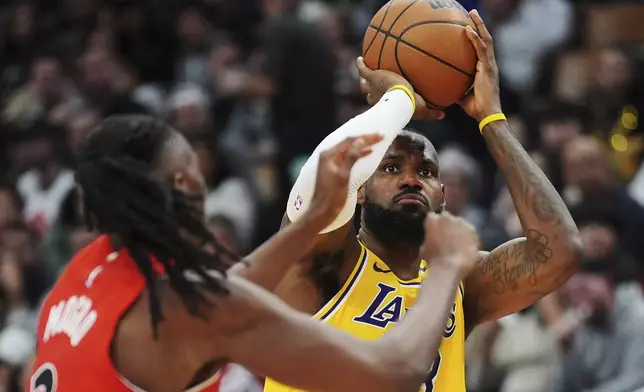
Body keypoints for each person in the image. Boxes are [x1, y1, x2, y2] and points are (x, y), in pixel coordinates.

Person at [30, 110, 480, 392]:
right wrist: (444, 267)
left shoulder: (80, 277)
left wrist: (313, 219)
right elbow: (394, 372)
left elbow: (230, 290)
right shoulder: (184, 310)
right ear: (185, 185)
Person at [265, 10, 582, 392]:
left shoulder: (458, 281)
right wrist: (400, 99)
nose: (412, 179)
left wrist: (492, 119)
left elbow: (559, 251)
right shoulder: (321, 264)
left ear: (443, 197)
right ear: (361, 187)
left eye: (428, 172)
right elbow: (325, 175)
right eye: (391, 168)